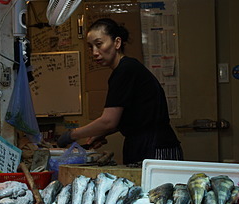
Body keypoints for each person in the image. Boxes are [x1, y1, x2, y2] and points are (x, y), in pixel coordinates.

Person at [56, 18, 183, 165]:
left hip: (156, 148)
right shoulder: (127, 68)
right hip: (147, 144)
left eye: (99, 44)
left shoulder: (125, 70)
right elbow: (132, 117)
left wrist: (72, 134)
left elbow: (109, 121)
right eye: (91, 47)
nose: (94, 52)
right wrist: (100, 134)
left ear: (117, 42)